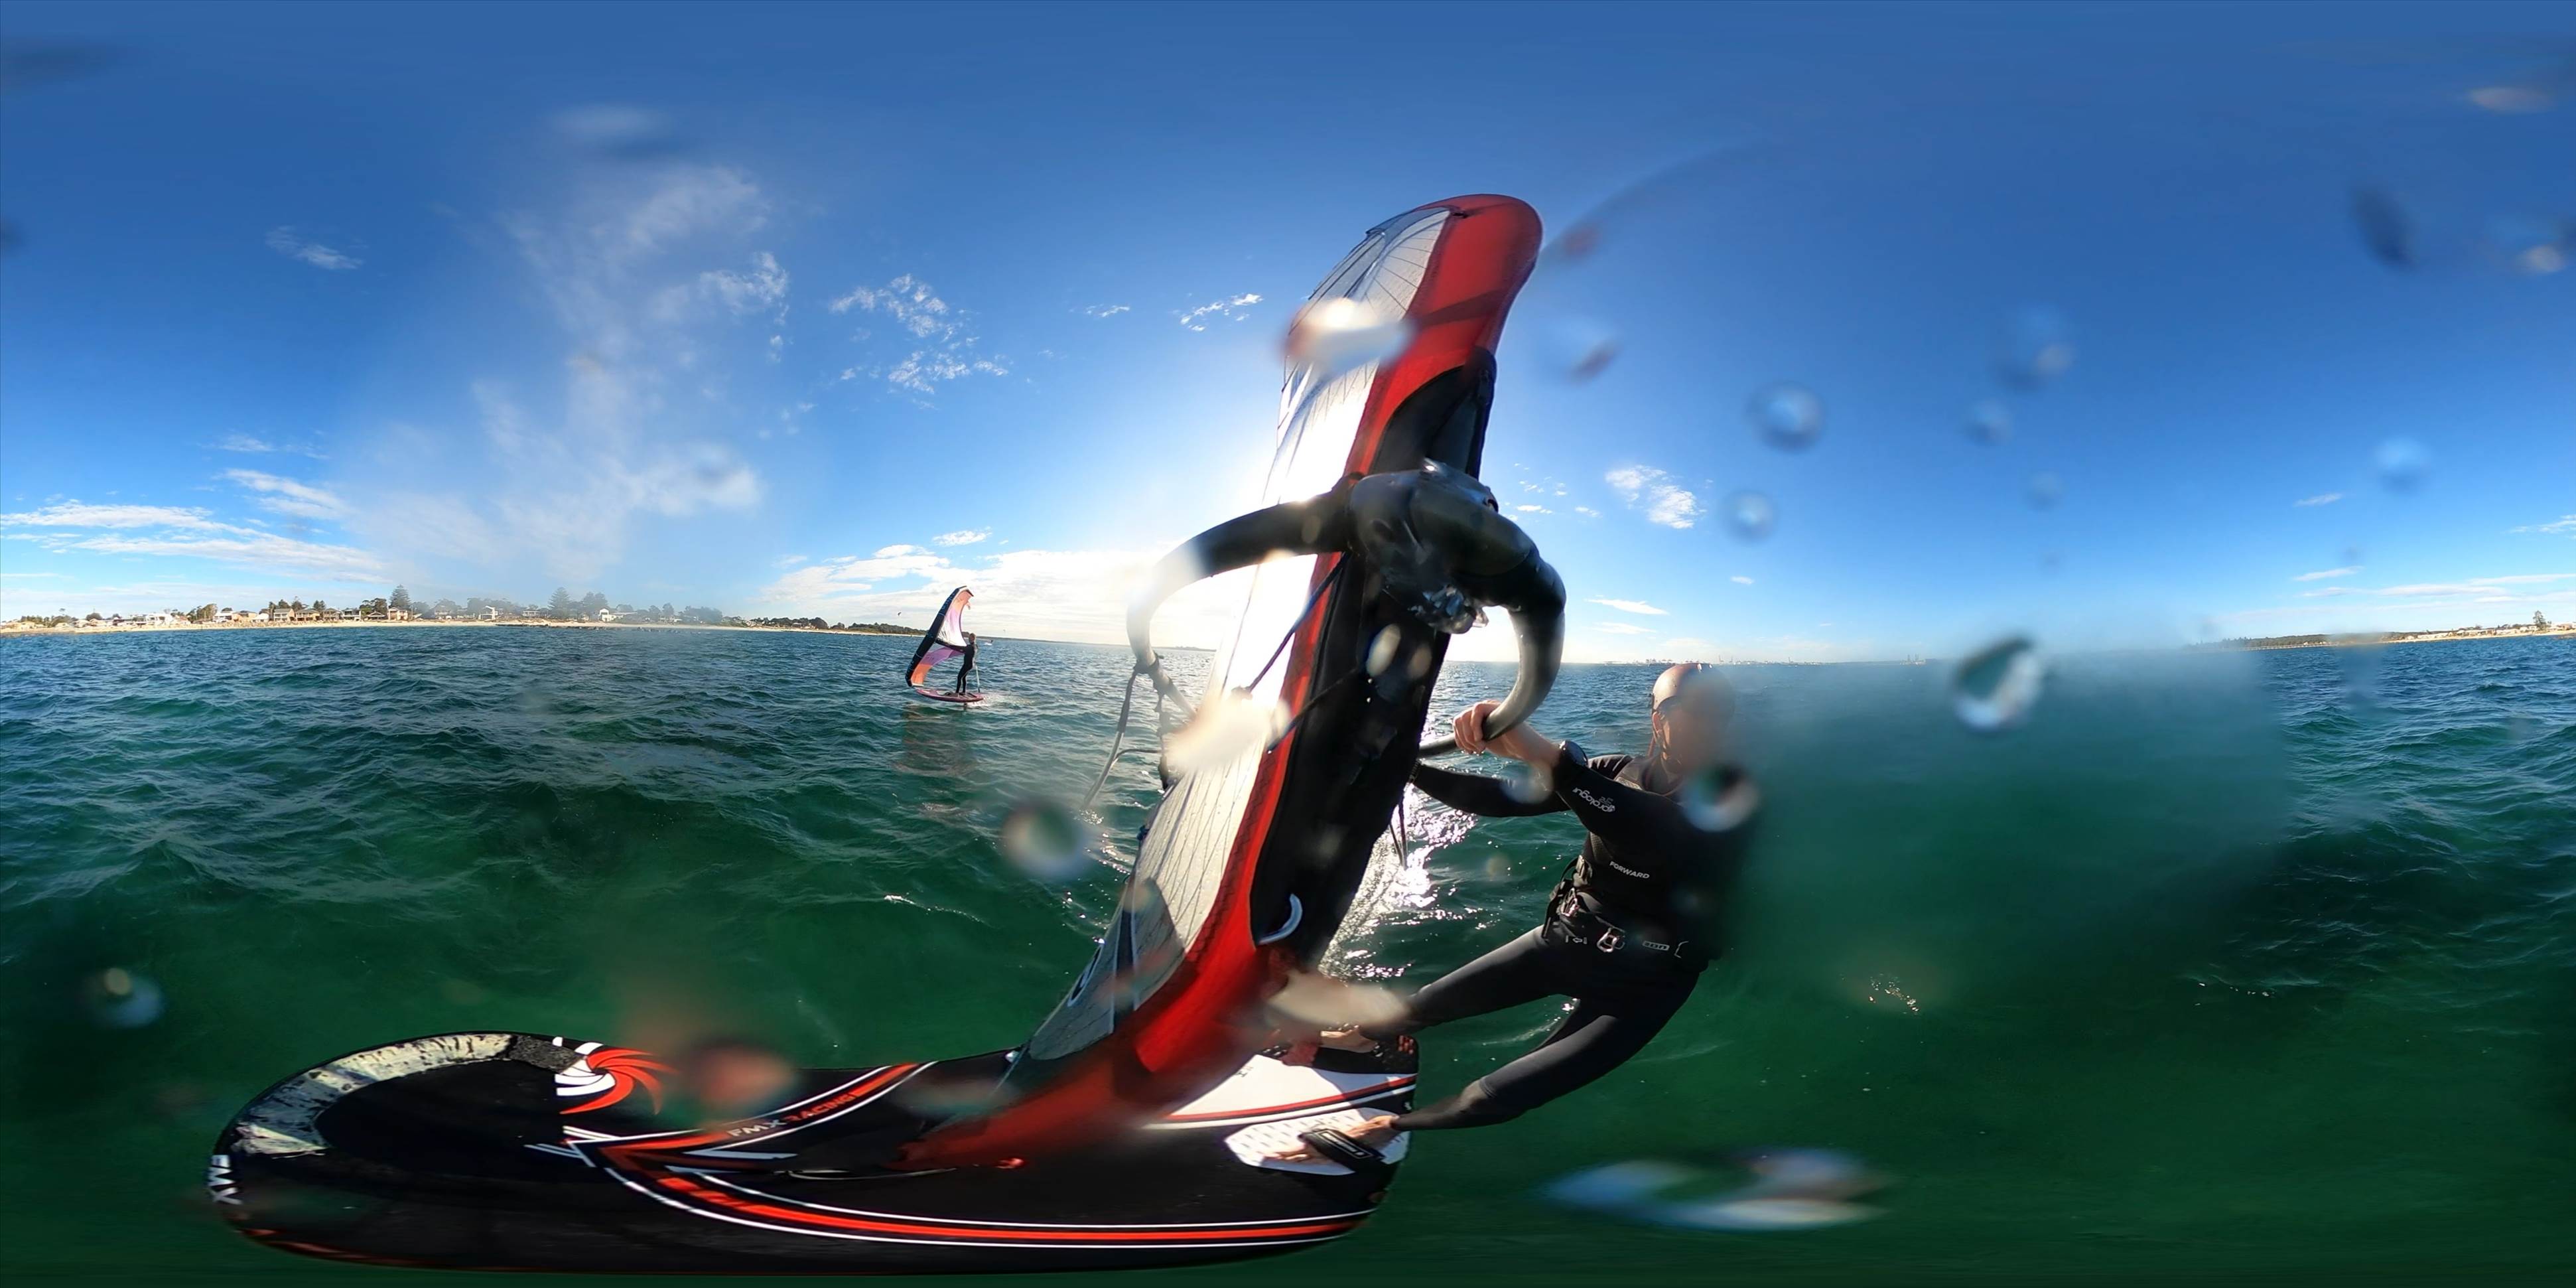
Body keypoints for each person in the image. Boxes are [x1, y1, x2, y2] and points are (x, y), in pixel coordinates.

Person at [1271, 663, 1757, 1165]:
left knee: (1499, 1096)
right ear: (1658, 718)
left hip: (1643, 986)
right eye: (1692, 709)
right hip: (1565, 938)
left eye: (1720, 711)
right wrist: (1406, 768)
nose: (1709, 722)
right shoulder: (1616, 770)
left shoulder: (1733, 798)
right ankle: (1355, 1040)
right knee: (1418, 1007)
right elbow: (1504, 799)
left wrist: (1546, 755)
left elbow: (1649, 828)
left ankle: (1383, 1128)